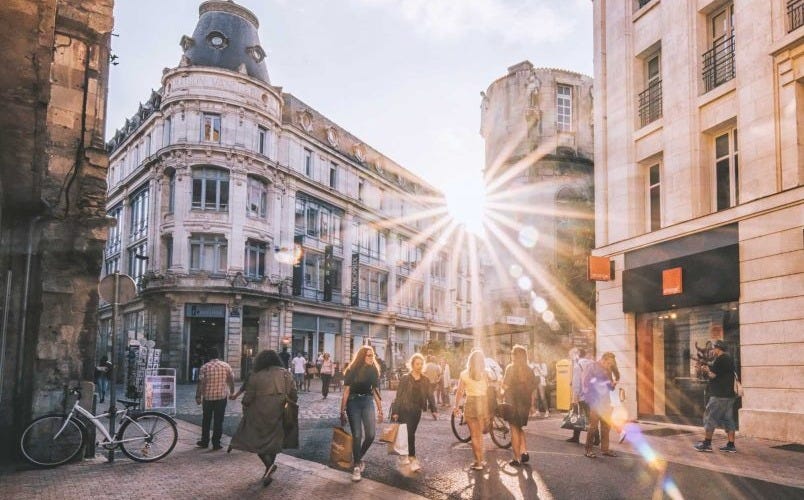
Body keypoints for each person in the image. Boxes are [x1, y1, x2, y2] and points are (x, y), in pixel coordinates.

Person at [230, 350, 298, 488]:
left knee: (255, 440)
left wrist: (245, 405)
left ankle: (268, 466)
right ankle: (269, 468)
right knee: (273, 442)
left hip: (258, 413)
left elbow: (248, 397)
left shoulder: (255, 375)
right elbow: (294, 394)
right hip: (279, 412)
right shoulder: (286, 374)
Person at [340, 345, 383, 482]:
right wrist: (342, 411)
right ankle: (357, 467)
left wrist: (380, 410)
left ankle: (358, 457)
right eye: (369, 355)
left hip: (367, 402)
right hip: (353, 403)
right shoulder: (352, 370)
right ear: (362, 357)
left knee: (370, 435)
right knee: (357, 435)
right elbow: (346, 391)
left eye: (373, 355)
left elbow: (375, 391)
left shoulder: (373, 370)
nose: (372, 358)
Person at [391, 353, 438, 472]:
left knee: (409, 433)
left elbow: (430, 395)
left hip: (416, 410)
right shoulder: (405, 378)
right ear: (412, 365)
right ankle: (412, 459)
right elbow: (399, 396)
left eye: (421, 364)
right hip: (404, 409)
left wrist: (434, 409)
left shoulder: (425, 380)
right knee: (409, 434)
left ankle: (404, 455)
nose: (420, 366)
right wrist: (395, 411)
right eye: (417, 364)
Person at [694, 339, 738, 453]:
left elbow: (713, 375)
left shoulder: (720, 359)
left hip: (719, 395)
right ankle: (731, 444)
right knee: (728, 419)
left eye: (713, 348)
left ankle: (707, 444)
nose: (712, 350)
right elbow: (722, 374)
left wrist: (705, 370)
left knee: (710, 417)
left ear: (718, 348)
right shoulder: (729, 358)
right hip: (729, 395)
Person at [453, 349, 489, 470]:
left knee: (474, 435)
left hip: (471, 402)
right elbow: (490, 390)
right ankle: (481, 460)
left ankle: (477, 461)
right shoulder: (486, 373)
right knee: (480, 435)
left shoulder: (464, 374)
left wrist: (456, 406)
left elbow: (459, 392)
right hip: (483, 403)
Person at [503, 345, 539, 467]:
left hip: (512, 402)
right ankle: (524, 452)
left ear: (514, 356)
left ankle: (516, 457)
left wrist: (500, 388)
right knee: (519, 427)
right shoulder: (529, 370)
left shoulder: (510, 368)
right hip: (525, 402)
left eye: (512, 353)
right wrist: (532, 404)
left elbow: (505, 385)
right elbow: (533, 388)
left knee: (514, 429)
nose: (511, 355)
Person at [195, 347, 235, 450]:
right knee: (219, 420)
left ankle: (204, 441)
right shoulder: (226, 366)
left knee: (206, 420)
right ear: (219, 355)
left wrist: (198, 396)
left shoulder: (205, 367)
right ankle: (216, 443)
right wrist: (232, 391)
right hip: (221, 397)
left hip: (208, 397)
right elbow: (231, 380)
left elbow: (201, 383)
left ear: (209, 356)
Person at [582, 352, 618, 458]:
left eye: (611, 364)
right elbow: (586, 383)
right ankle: (588, 450)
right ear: (603, 359)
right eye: (609, 363)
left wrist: (612, 385)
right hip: (595, 401)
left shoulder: (608, 369)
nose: (610, 366)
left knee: (606, 426)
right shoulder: (592, 366)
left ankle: (605, 449)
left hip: (606, 401)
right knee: (593, 427)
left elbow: (610, 387)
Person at [567, 348, 594, 444]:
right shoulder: (591, 363)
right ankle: (596, 438)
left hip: (582, 395)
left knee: (578, 414)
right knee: (591, 417)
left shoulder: (577, 365)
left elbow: (576, 383)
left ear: (577, 354)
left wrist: (575, 396)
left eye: (572, 354)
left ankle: (576, 437)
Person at [531, 352, 550, 418]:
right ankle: (537, 411)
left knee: (542, 397)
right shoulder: (532, 364)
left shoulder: (543, 365)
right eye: (535, 357)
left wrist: (539, 370)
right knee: (536, 397)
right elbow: (530, 373)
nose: (536, 359)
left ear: (540, 358)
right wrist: (532, 369)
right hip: (534, 381)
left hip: (541, 381)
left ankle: (547, 411)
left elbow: (545, 374)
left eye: (537, 357)